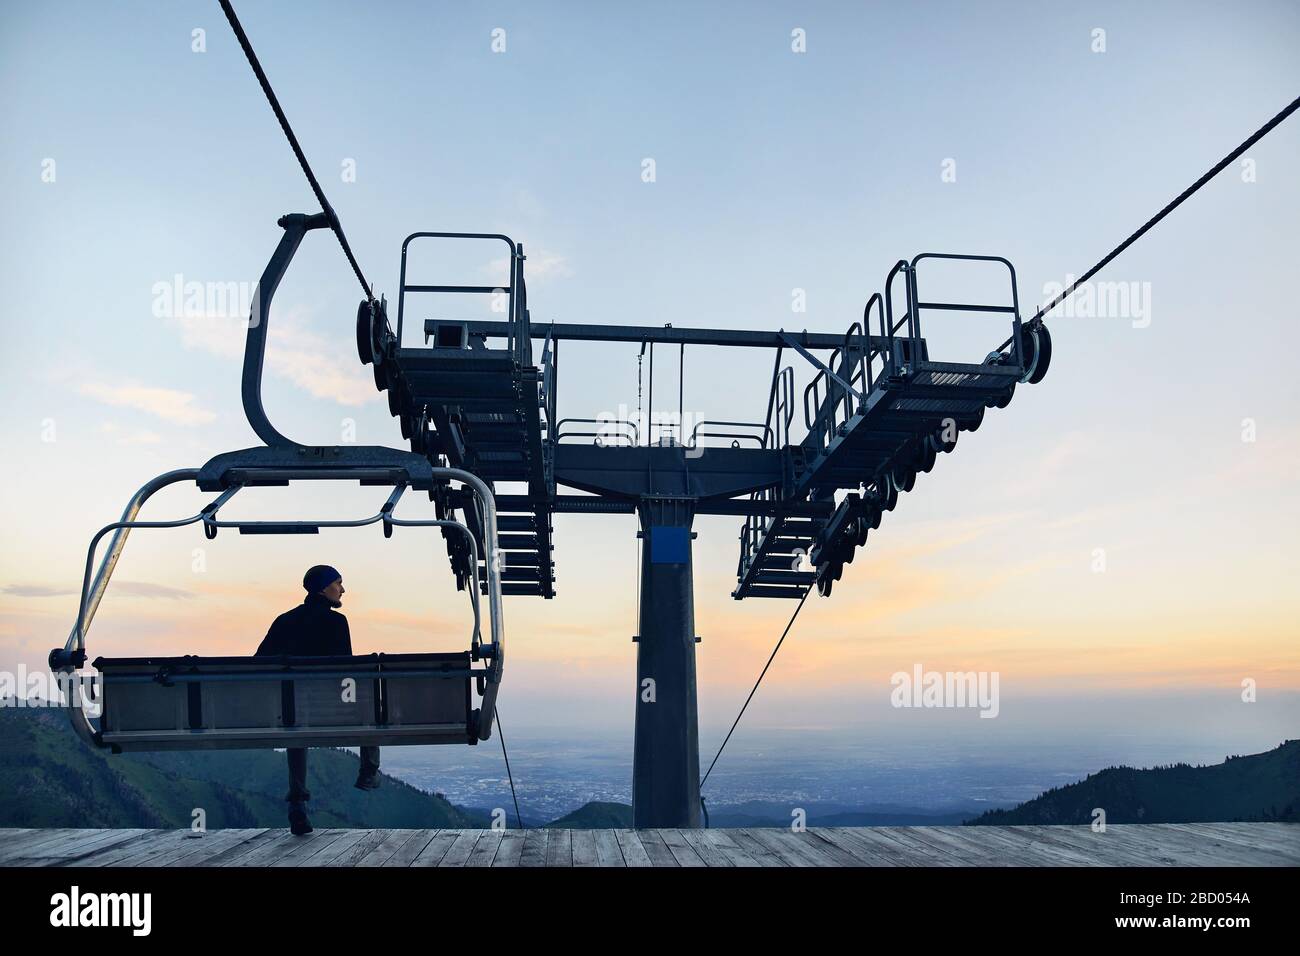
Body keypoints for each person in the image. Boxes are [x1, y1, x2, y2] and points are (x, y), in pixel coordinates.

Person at [256, 565, 381, 837]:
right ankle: (369, 771)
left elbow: (259, 663)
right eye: (339, 583)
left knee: (295, 724)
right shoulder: (337, 622)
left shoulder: (283, 620)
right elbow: (345, 672)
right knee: (370, 700)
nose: (343, 589)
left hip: (287, 711)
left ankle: (297, 801)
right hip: (330, 711)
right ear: (324, 588)